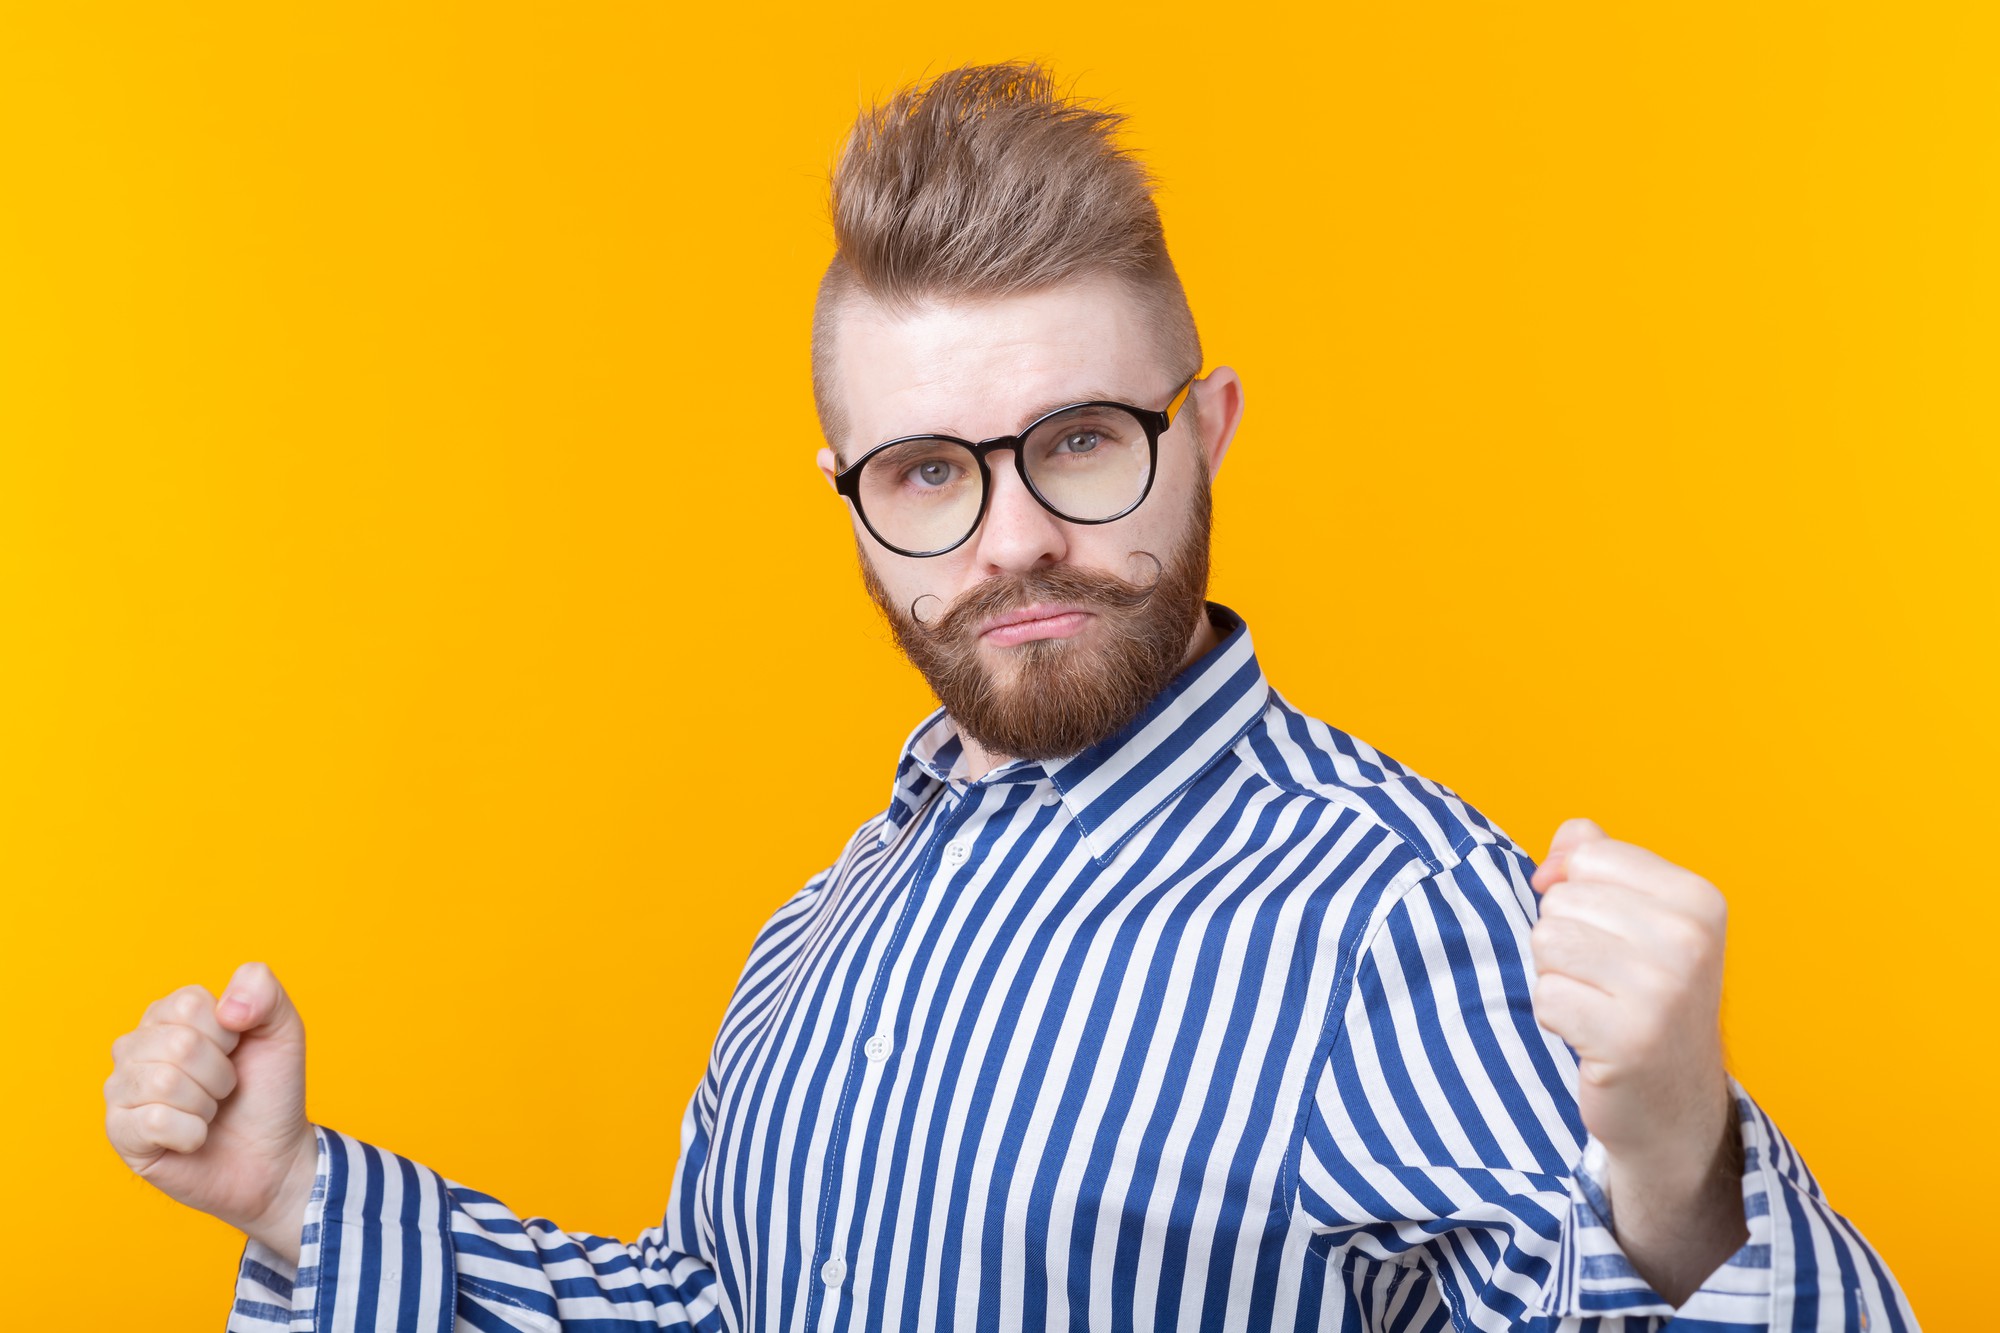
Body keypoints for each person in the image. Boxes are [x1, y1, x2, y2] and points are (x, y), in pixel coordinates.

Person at [105, 63, 1913, 1331]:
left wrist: (1684, 1181)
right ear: (850, 492)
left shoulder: (1402, 916)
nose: (1017, 540)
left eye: (1081, 440)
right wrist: (301, 1198)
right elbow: (707, 1308)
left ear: (1205, 430)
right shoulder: (822, 929)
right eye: (927, 474)